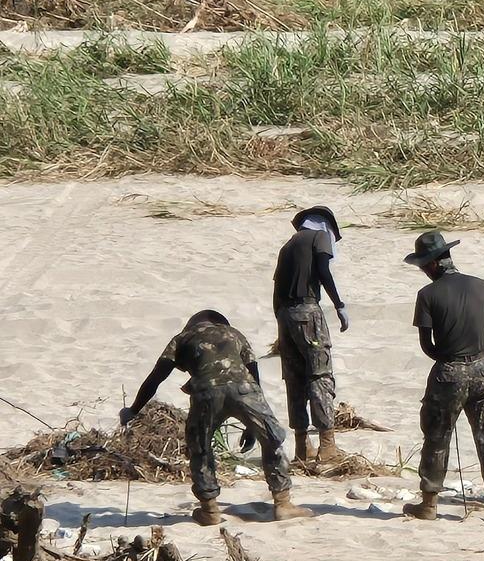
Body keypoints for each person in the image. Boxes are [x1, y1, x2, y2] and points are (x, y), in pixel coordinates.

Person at [122, 310, 312, 525]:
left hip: (206, 393)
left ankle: (210, 510)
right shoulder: (234, 334)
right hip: (245, 390)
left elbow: (156, 377)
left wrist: (133, 410)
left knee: (200, 448)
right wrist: (252, 426)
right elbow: (253, 372)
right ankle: (283, 503)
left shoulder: (182, 338)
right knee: (272, 440)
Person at [400, 231, 484, 523]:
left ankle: (429, 504)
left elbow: (427, 345)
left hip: (447, 371)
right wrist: (479, 358)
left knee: (437, 437)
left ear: (430, 265)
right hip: (482, 369)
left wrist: (448, 360)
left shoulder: (427, 295)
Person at [273, 205, 349, 463]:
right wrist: (339, 305)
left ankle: (302, 445)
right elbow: (323, 270)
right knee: (320, 375)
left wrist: (282, 328)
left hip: (285, 315)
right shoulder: (320, 237)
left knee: (294, 378)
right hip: (308, 312)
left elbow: (276, 291)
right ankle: (328, 445)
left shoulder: (288, 246)